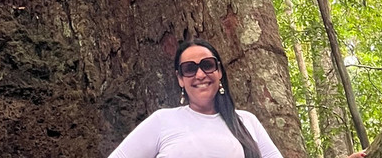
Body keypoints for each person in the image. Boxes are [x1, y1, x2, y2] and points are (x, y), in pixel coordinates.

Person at [106, 38, 283, 158]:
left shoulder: (246, 121)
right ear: (180, 79)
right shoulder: (162, 120)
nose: (200, 75)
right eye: (190, 69)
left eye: (207, 65)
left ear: (219, 71)